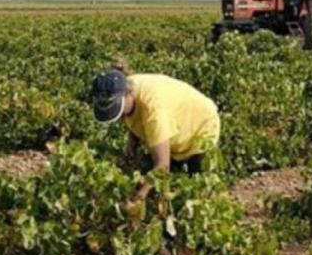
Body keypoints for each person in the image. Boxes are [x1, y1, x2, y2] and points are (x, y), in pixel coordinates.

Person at [90, 68, 221, 178]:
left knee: (195, 179)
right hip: (172, 116)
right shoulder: (123, 85)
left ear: (128, 93)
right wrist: (131, 145)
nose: (119, 117)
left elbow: (163, 166)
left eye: (118, 108)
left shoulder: (153, 111)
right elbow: (133, 115)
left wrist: (138, 198)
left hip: (200, 125)